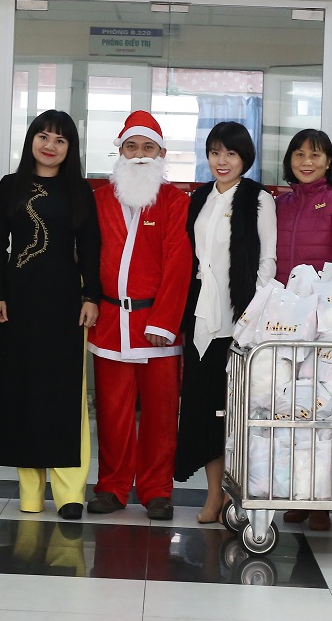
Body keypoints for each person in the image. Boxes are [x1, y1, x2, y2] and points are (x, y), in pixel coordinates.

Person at [0, 111, 101, 520]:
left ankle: (70, 492)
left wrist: (92, 296)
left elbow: (90, 247)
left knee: (65, 395)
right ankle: (31, 492)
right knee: (23, 392)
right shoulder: (12, 186)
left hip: (66, 304)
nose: (50, 145)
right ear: (31, 139)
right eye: (43, 136)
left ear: (70, 148)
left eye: (60, 140)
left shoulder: (79, 189)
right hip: (19, 302)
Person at [86, 110, 191, 521]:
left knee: (162, 415)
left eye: (149, 148)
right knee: (111, 412)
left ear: (162, 153)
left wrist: (164, 322)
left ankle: (155, 489)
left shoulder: (174, 202)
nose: (140, 155)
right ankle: (112, 486)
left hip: (157, 326)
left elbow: (179, 263)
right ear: (120, 151)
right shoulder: (98, 200)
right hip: (111, 322)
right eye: (132, 147)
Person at [174, 122, 276, 523]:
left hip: (239, 316)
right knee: (203, 408)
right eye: (216, 152)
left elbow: (267, 260)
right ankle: (213, 495)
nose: (222, 161)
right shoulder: (198, 197)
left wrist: (252, 316)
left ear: (244, 158)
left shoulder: (258, 198)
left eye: (231, 153)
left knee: (234, 410)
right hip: (201, 313)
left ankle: (239, 495)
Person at [274, 128, 332, 532]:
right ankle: (297, 490)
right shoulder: (280, 204)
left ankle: (322, 501)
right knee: (290, 409)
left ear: (329, 161)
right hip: (285, 323)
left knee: (324, 413)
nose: (306, 162)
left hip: (327, 328)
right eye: (298, 154)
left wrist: (329, 314)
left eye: (315, 155)